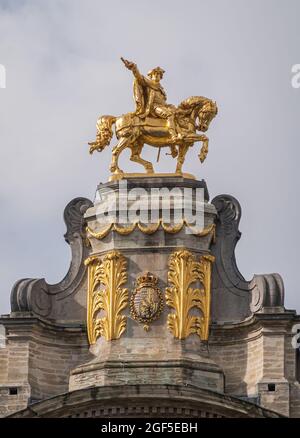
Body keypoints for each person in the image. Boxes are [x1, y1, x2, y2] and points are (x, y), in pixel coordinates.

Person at [121, 58, 181, 143]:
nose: (157, 76)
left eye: (159, 75)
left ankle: (173, 144)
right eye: (155, 74)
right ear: (151, 76)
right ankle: (173, 135)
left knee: (176, 114)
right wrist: (134, 68)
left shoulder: (161, 89)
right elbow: (139, 77)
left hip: (162, 107)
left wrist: (170, 106)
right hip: (154, 107)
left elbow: (163, 102)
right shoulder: (148, 83)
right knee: (169, 115)